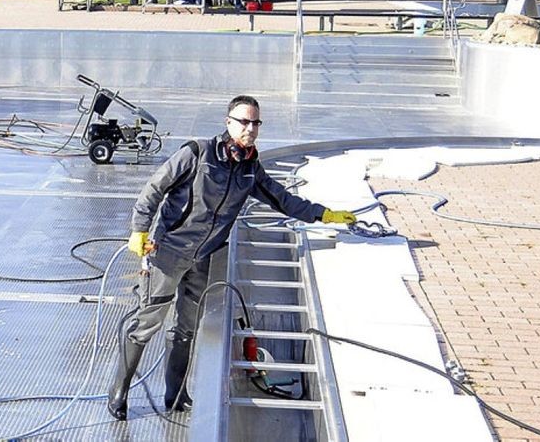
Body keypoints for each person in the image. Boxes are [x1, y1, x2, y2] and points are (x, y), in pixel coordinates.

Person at [106, 95, 357, 420]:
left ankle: (176, 395)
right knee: (145, 324)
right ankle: (119, 393)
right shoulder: (197, 154)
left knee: (186, 330)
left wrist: (325, 215)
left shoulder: (250, 170)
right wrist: (140, 230)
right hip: (168, 253)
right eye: (244, 122)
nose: (250, 128)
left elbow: (283, 200)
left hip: (203, 258)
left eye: (255, 123)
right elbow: (155, 188)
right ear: (228, 122)